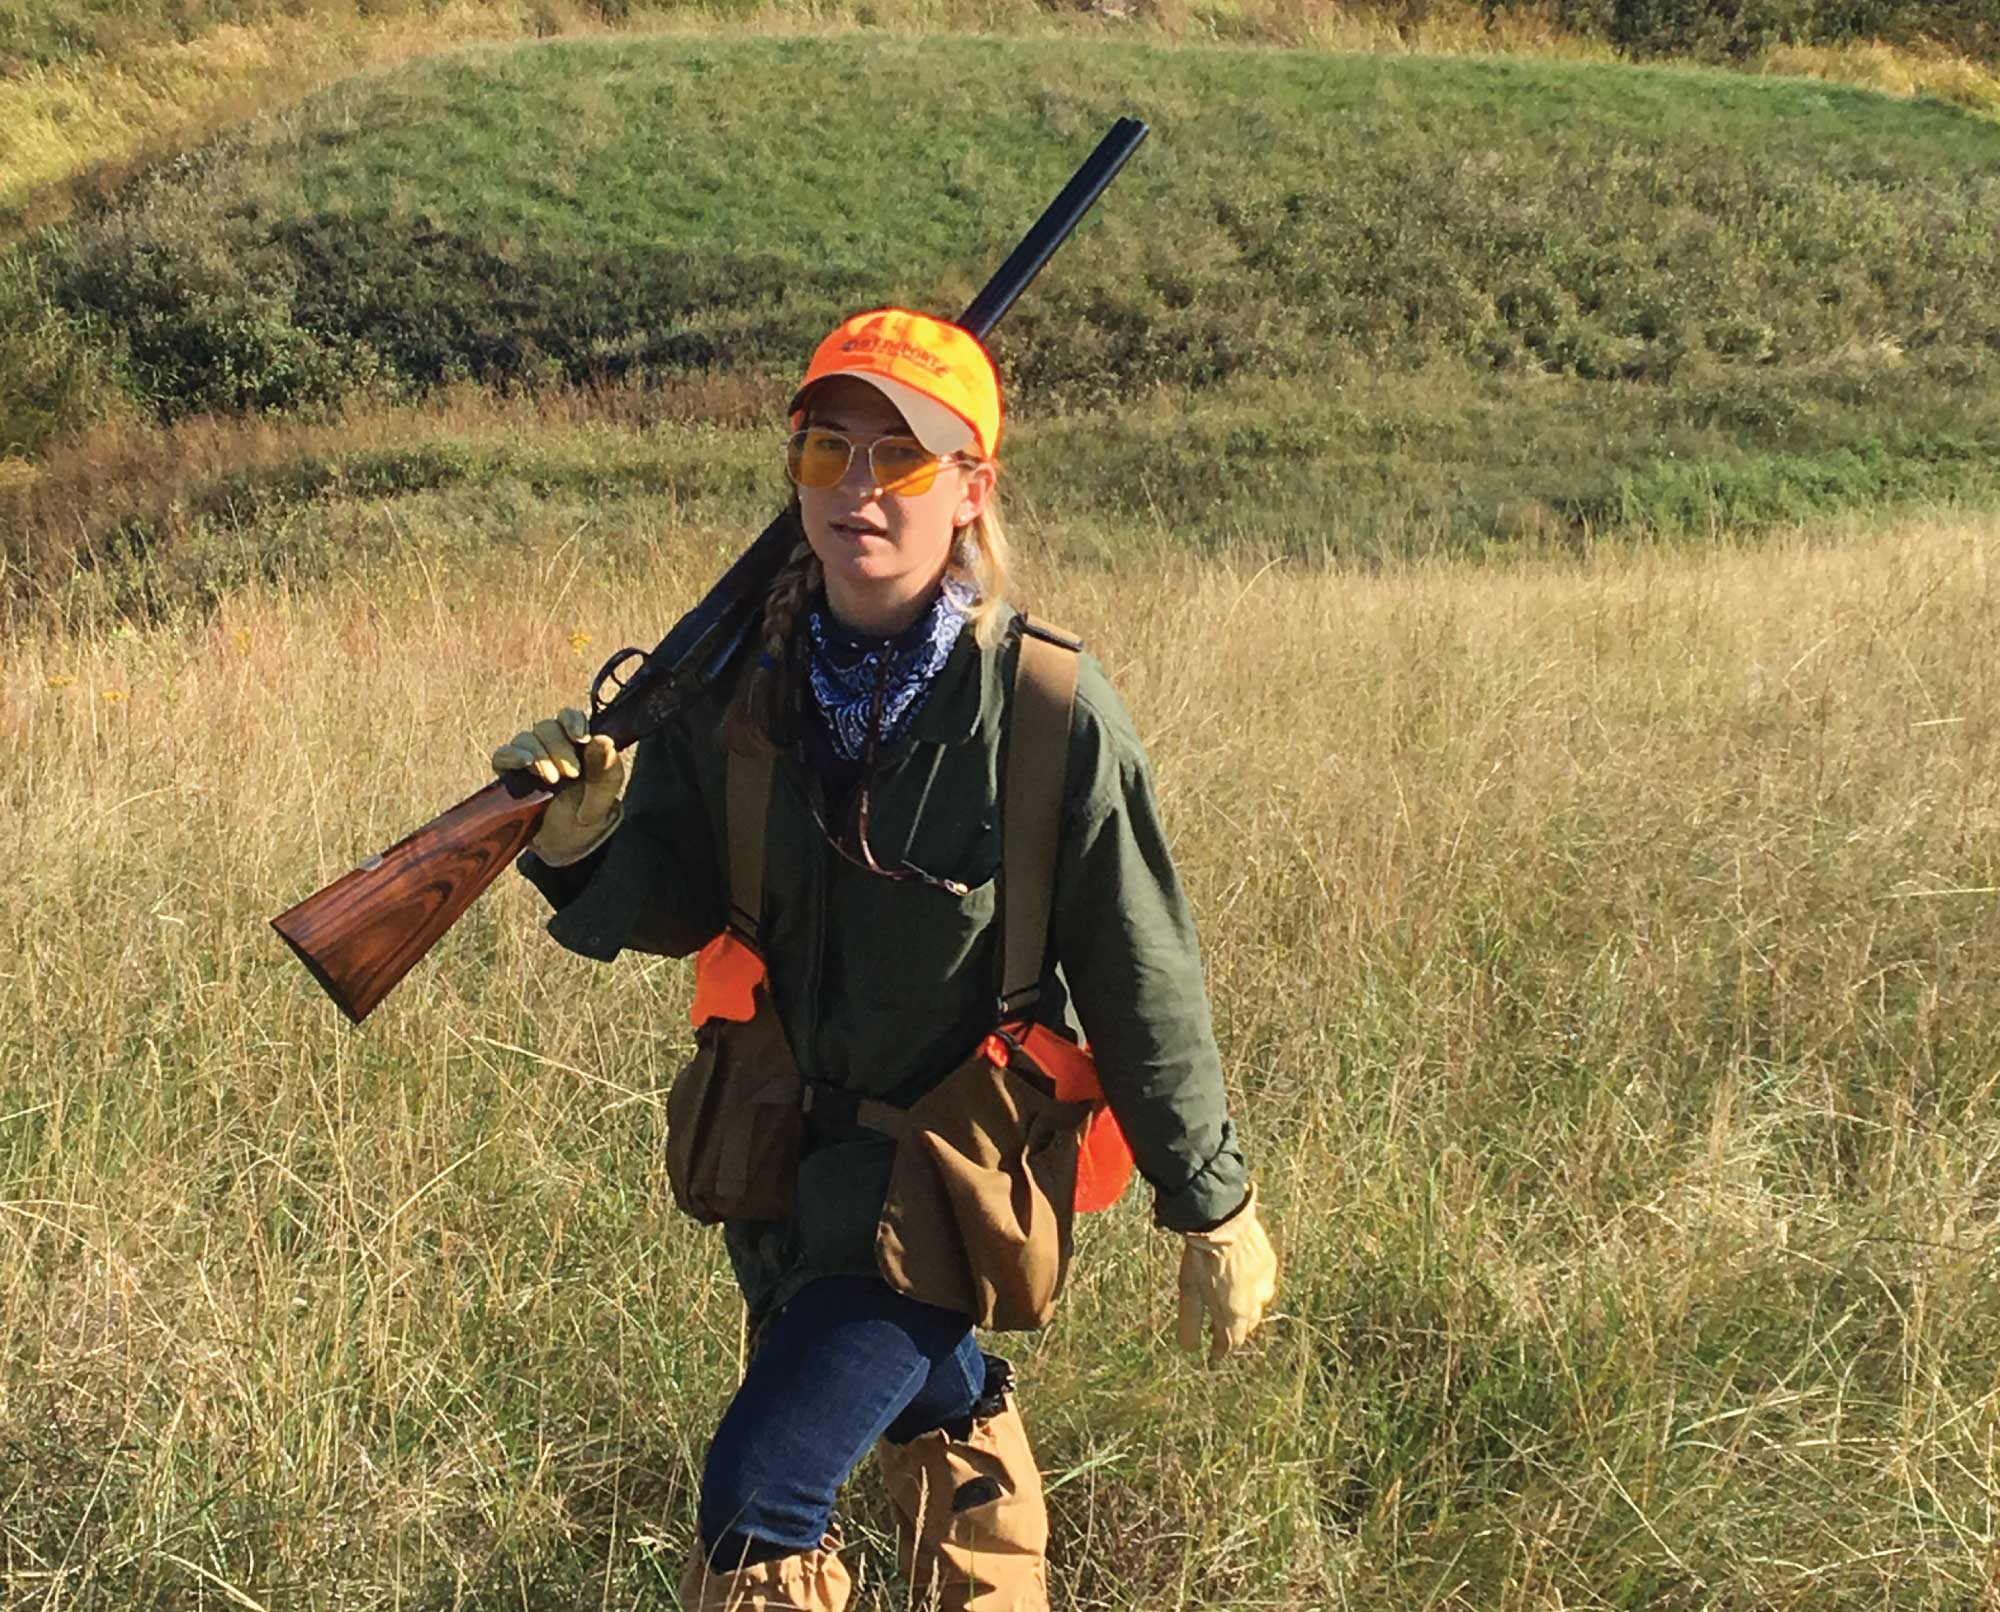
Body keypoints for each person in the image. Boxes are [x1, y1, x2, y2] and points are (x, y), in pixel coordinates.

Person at [494, 308, 1278, 1611]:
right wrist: (583, 848)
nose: (858, 486)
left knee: (759, 1499)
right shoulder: (740, 690)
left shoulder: (1047, 712)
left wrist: (1213, 1205)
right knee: (938, 1410)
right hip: (780, 1171)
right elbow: (683, 904)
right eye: (827, 450)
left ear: (971, 490)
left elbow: (1142, 977)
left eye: (901, 456)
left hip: (944, 1188)